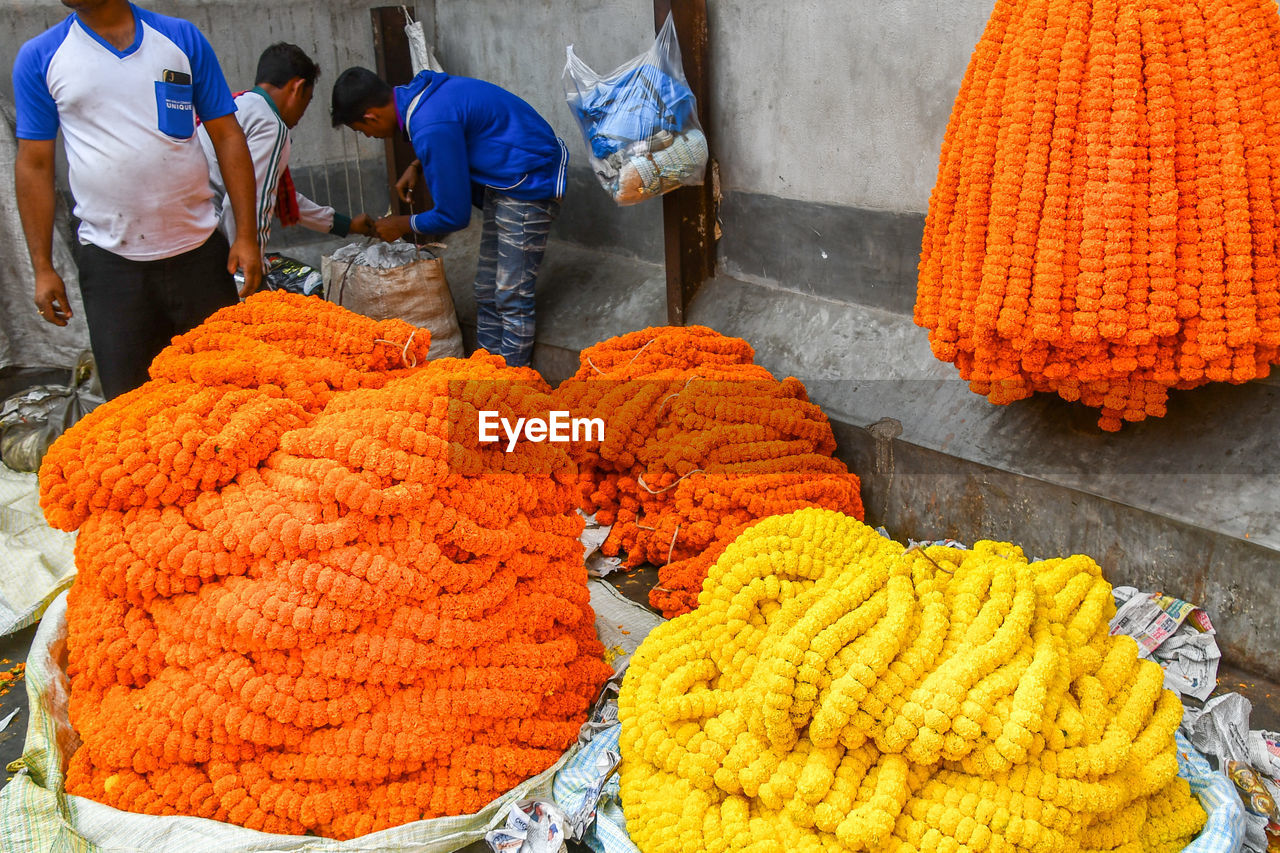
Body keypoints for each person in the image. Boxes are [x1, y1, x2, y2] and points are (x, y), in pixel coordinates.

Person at [13, 0, 261, 400]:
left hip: (199, 258)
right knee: (131, 410)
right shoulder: (41, 57)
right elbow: (34, 166)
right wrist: (42, 267)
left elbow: (229, 136)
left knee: (226, 396)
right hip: (113, 270)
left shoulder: (180, 39)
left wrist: (246, 236)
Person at [330, 66, 568, 368]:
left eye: (363, 131)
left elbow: (453, 216)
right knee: (486, 288)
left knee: (511, 294)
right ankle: (487, 372)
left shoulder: (429, 123)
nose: (370, 136)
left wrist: (402, 224)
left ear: (371, 117)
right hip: (504, 176)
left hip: (529, 177)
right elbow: (456, 128)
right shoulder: (419, 98)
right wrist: (418, 165)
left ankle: (512, 386)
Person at [199, 43, 373, 270]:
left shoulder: (239, 106)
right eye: (307, 101)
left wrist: (347, 225)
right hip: (209, 237)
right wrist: (250, 265)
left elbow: (284, 199)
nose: (302, 113)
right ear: (297, 88)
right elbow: (250, 201)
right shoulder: (270, 124)